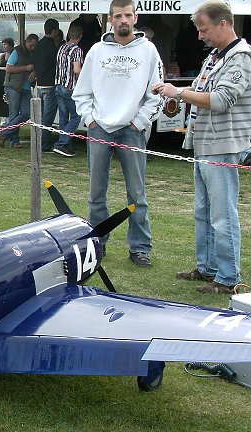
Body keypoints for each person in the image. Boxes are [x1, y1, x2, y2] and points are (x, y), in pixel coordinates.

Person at [154, 1, 251, 293]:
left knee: (222, 214)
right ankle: (208, 268)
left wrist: (179, 92)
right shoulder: (215, 56)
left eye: (204, 29)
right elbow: (200, 91)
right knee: (204, 211)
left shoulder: (241, 58)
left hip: (223, 144)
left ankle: (228, 278)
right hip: (206, 143)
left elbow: (221, 100)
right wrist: (173, 92)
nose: (199, 35)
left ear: (224, 24)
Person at [72, 0, 162, 268]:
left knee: (137, 193)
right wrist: (90, 120)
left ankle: (140, 248)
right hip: (100, 127)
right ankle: (98, 243)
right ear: (110, 19)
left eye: (128, 15)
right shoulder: (97, 51)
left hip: (131, 130)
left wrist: (140, 122)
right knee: (96, 193)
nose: (124, 20)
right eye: (119, 15)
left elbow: (156, 92)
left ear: (135, 18)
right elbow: (82, 91)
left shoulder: (148, 50)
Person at [0, 34, 38, 149]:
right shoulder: (17, 51)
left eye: (35, 46)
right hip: (13, 86)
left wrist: (34, 72)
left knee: (26, 113)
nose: (33, 48)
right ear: (27, 42)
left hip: (26, 87)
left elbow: (35, 67)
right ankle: (14, 141)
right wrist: (26, 68)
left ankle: (4, 132)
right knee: (14, 114)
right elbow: (9, 68)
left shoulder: (33, 53)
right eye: (31, 45)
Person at [53, 25, 83, 157]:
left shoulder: (62, 47)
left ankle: (66, 146)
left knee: (63, 117)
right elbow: (76, 70)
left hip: (58, 84)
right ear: (80, 36)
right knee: (76, 116)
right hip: (69, 87)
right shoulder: (77, 50)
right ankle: (61, 143)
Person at [33, 19, 61, 153]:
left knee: (40, 117)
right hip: (50, 85)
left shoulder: (38, 45)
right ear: (54, 30)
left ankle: (38, 141)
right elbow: (57, 64)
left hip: (39, 85)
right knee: (48, 118)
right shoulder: (52, 47)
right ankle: (44, 144)